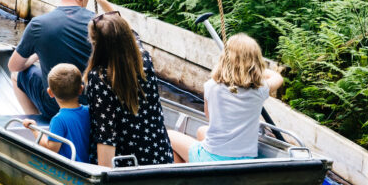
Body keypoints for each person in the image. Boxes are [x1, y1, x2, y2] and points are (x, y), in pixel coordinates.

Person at [7, 0, 115, 118]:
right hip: (95, 106)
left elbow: (14, 65)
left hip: (55, 107)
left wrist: (36, 55)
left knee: (16, 74)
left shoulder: (38, 25)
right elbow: (127, 34)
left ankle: (36, 122)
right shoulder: (99, 23)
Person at [170, 34, 284, 163]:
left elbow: (211, 118)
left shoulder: (211, 86)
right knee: (202, 131)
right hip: (245, 160)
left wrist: (239, 69)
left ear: (225, 59)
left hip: (213, 158)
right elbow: (277, 77)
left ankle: (189, 175)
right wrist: (252, 71)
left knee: (168, 136)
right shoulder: (260, 89)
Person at [84, 11, 173, 167]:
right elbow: (130, 32)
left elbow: (106, 135)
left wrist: (106, 181)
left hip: (127, 168)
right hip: (161, 158)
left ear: (96, 45)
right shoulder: (144, 59)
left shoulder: (99, 78)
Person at [22, 63, 91, 163]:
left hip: (70, 170)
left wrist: (34, 130)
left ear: (50, 93)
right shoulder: (89, 111)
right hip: (89, 166)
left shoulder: (58, 120)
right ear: (81, 89)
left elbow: (51, 149)